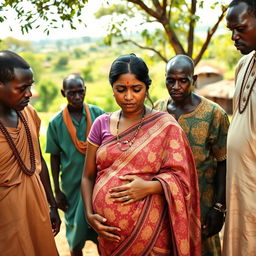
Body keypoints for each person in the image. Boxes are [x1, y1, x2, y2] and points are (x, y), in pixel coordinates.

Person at [81, 53, 201, 256]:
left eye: (136, 89)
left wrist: (149, 187)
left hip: (154, 235)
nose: (128, 97)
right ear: (112, 89)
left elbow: (184, 180)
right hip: (111, 239)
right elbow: (87, 176)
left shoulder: (165, 125)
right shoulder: (100, 123)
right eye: (121, 89)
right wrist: (89, 215)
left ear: (146, 88)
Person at [154, 54, 229, 256]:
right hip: (165, 206)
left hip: (202, 208)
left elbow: (224, 162)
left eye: (183, 80)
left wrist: (219, 208)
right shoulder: (157, 111)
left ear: (193, 80)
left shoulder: (214, 114)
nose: (176, 86)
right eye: (171, 80)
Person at [0, 50, 61, 256]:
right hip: (7, 220)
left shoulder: (29, 114)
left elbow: (38, 162)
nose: (29, 94)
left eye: (30, 86)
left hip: (37, 212)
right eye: (22, 88)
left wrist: (52, 205)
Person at [46, 73, 104, 256]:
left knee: (102, 233)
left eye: (80, 92)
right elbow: (54, 158)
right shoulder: (56, 123)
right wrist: (57, 191)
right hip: (72, 187)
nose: (77, 97)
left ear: (85, 90)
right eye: (72, 93)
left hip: (97, 184)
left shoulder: (99, 115)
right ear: (64, 93)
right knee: (75, 235)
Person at [224, 1, 256, 255]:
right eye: (230, 30)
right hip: (239, 189)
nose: (234, 36)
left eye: (240, 28)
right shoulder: (243, 65)